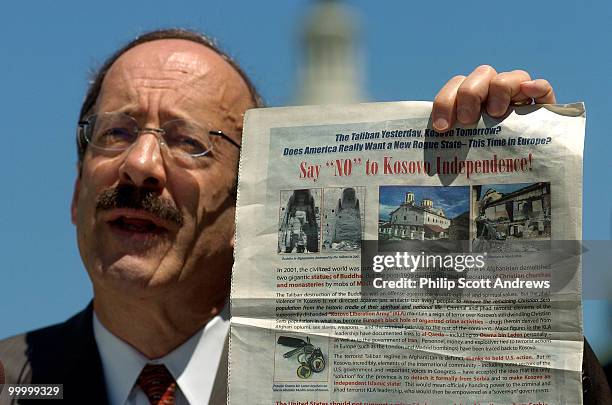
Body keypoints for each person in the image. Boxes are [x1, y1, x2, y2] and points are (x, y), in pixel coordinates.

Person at [0, 28, 609, 405]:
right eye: (115, 133)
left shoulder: (362, 377)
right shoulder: (14, 383)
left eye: (190, 142)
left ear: (252, 207)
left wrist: (503, 202)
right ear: (77, 188)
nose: (140, 164)